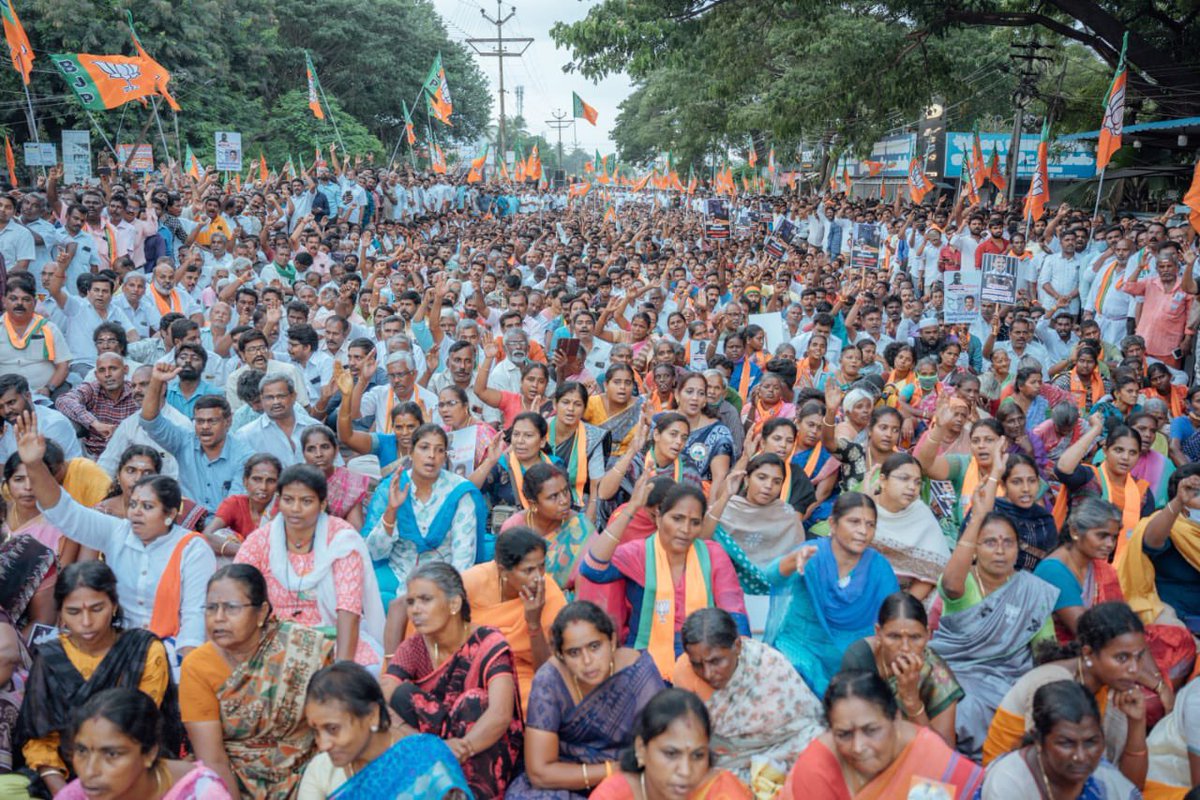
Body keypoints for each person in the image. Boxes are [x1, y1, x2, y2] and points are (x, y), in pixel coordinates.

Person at [12, 411, 214, 654]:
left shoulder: (192, 548)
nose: (137, 512)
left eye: (147, 507)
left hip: (173, 649)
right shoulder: (117, 531)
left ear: (170, 514)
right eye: (134, 505)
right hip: (119, 647)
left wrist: (180, 666)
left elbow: (195, 615)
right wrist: (35, 465)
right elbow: (65, 512)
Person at [17, 562, 181, 796]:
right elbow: (41, 740)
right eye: (74, 612)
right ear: (61, 613)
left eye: (96, 609)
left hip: (131, 767)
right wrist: (65, 793)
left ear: (114, 605)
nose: (86, 622)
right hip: (64, 775)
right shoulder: (50, 658)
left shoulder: (143, 650)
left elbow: (138, 729)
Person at [930, 469, 1058, 760]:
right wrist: (978, 517)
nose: (1000, 551)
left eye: (1007, 543)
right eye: (990, 542)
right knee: (965, 707)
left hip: (1011, 681)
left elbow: (1044, 651)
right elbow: (950, 585)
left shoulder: (1033, 591)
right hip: (957, 677)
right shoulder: (964, 582)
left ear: (1018, 548)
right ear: (974, 548)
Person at [180, 564, 334, 800]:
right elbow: (213, 759)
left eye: (231, 608)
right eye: (211, 608)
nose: (218, 618)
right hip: (233, 782)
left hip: (308, 776)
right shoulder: (197, 667)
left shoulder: (303, 648)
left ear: (262, 613)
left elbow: (334, 728)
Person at [579, 478, 749, 678]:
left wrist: (743, 662)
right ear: (659, 518)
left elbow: (734, 610)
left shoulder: (713, 554)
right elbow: (592, 568)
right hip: (642, 662)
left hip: (703, 663)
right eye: (677, 518)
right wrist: (632, 508)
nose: (685, 530)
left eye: (694, 522)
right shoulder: (640, 553)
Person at [382, 562, 524, 798]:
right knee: (400, 695)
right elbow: (381, 700)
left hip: (484, 749)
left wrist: (463, 748)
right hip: (435, 752)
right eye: (411, 602)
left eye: (425, 600)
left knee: (474, 701)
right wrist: (430, 747)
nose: (415, 610)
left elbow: (500, 713)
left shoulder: (488, 642)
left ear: (454, 604)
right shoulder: (415, 647)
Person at [983, 602, 1157, 788]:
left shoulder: (1117, 689)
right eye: (1122, 658)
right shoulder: (1052, 684)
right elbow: (1047, 777)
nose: (1134, 669)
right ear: (1088, 654)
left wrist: (1137, 722)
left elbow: (1132, 786)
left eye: (1139, 657)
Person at [508, 601, 665, 799]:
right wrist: (614, 769)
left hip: (630, 782)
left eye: (594, 646)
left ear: (612, 640)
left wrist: (624, 776)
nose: (587, 661)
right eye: (574, 652)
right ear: (560, 655)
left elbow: (661, 747)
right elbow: (540, 772)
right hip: (563, 783)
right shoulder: (550, 680)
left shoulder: (639, 674)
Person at [234, 464, 385, 665]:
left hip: (333, 639)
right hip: (273, 640)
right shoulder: (261, 541)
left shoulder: (340, 539)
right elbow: (236, 590)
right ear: (279, 500)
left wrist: (342, 669)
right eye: (288, 500)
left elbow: (348, 608)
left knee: (361, 678)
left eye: (306, 501)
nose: (295, 509)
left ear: (322, 504)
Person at [754, 492, 899, 696]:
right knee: (789, 674)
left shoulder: (879, 567)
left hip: (854, 657)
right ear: (832, 523)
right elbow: (770, 576)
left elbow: (893, 615)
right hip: (801, 647)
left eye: (870, 525)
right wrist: (792, 560)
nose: (863, 531)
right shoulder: (811, 553)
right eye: (854, 522)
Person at [671, 608, 823, 798]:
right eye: (698, 664)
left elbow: (806, 730)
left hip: (785, 760)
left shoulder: (767, 667)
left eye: (716, 661)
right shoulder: (684, 673)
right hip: (718, 772)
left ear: (737, 646)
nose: (708, 673)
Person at [779, 671, 983, 799]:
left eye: (871, 730)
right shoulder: (816, 769)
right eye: (844, 734)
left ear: (895, 718)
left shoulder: (929, 758)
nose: (858, 746)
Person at [299, 662, 471, 799]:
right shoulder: (321, 769)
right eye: (316, 731)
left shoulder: (425, 759)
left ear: (372, 715)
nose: (323, 744)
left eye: (333, 729)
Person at [364, 424, 486, 613]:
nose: (432, 456)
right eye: (424, 448)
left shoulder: (459, 493)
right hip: (400, 569)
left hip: (442, 573)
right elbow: (375, 552)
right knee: (375, 597)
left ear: (445, 457)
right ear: (411, 452)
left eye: (439, 450)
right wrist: (391, 510)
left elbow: (463, 555)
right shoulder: (394, 487)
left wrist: (450, 592)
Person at [461, 527, 569, 712]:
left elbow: (548, 671)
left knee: (542, 704)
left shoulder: (549, 593)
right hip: (469, 667)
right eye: (528, 570)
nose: (538, 577)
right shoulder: (472, 582)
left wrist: (533, 623)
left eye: (541, 567)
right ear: (503, 571)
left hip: (520, 673)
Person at [56, 688, 231, 800]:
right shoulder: (76, 795)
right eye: (82, 751)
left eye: (111, 754)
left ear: (150, 753)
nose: (90, 771)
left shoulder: (201, 794)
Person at [980, 680, 1140, 799]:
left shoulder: (1103, 777)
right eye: (1066, 743)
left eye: (1090, 742)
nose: (1081, 756)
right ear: (1038, 739)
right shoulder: (1008, 782)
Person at [840, 592, 963, 748]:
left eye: (915, 637)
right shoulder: (859, 658)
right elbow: (852, 726)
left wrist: (911, 701)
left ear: (928, 635)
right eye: (894, 636)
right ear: (878, 633)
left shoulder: (938, 677)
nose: (905, 648)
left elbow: (944, 752)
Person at [587, 688, 752, 799]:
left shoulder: (721, 792)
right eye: (671, 754)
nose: (686, 771)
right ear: (641, 749)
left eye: (698, 755)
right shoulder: (614, 795)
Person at [704, 454, 804, 594]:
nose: (768, 486)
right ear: (747, 479)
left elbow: (797, 563)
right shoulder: (727, 508)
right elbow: (702, 538)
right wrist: (726, 496)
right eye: (761, 478)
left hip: (775, 595)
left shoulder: (787, 516)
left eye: (776, 481)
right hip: (726, 591)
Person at [500, 462, 597, 592]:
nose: (564, 500)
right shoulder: (514, 528)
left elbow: (591, 580)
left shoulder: (581, 527)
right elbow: (505, 579)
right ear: (533, 503)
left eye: (565, 491)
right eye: (553, 496)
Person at [866, 453, 949, 599]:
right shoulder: (864, 510)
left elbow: (930, 574)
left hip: (905, 600)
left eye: (917, 482)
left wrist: (900, 610)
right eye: (904, 479)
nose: (912, 487)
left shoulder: (921, 515)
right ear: (883, 480)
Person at [1, 453, 68, 632]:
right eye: (19, 479)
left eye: (34, 479)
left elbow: (46, 615)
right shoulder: (2, 515)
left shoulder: (62, 526)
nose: (28, 487)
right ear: (6, 483)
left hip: (29, 620)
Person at [94, 445, 208, 533]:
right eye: (131, 471)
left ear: (157, 478)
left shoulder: (178, 508)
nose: (138, 479)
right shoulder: (101, 513)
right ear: (118, 475)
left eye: (147, 473)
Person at [548, 382, 610, 518]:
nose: (571, 409)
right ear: (555, 404)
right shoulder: (541, 428)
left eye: (577, 404)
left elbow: (596, 485)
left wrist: (588, 523)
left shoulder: (593, 437)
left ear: (584, 409)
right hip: (538, 501)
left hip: (575, 504)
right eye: (565, 402)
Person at [201, 454, 281, 559]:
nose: (263, 487)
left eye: (270, 481)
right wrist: (247, 550)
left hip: (272, 564)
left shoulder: (283, 509)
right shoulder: (235, 503)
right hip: (241, 563)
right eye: (257, 479)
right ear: (245, 481)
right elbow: (206, 535)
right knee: (220, 535)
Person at [300, 425, 367, 529]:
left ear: (336, 450)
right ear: (303, 454)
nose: (318, 454)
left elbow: (355, 529)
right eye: (311, 449)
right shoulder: (296, 482)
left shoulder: (351, 482)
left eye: (325, 447)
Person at [676, 372, 733, 490]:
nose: (695, 398)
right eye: (689, 391)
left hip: (699, 498)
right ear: (677, 395)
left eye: (701, 393)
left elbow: (719, 479)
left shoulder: (718, 433)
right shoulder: (662, 422)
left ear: (705, 400)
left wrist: (711, 508)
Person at [583, 364, 645, 458]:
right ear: (606, 385)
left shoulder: (642, 406)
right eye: (617, 382)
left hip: (629, 462)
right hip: (594, 459)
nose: (622, 387)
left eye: (627, 383)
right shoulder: (591, 403)